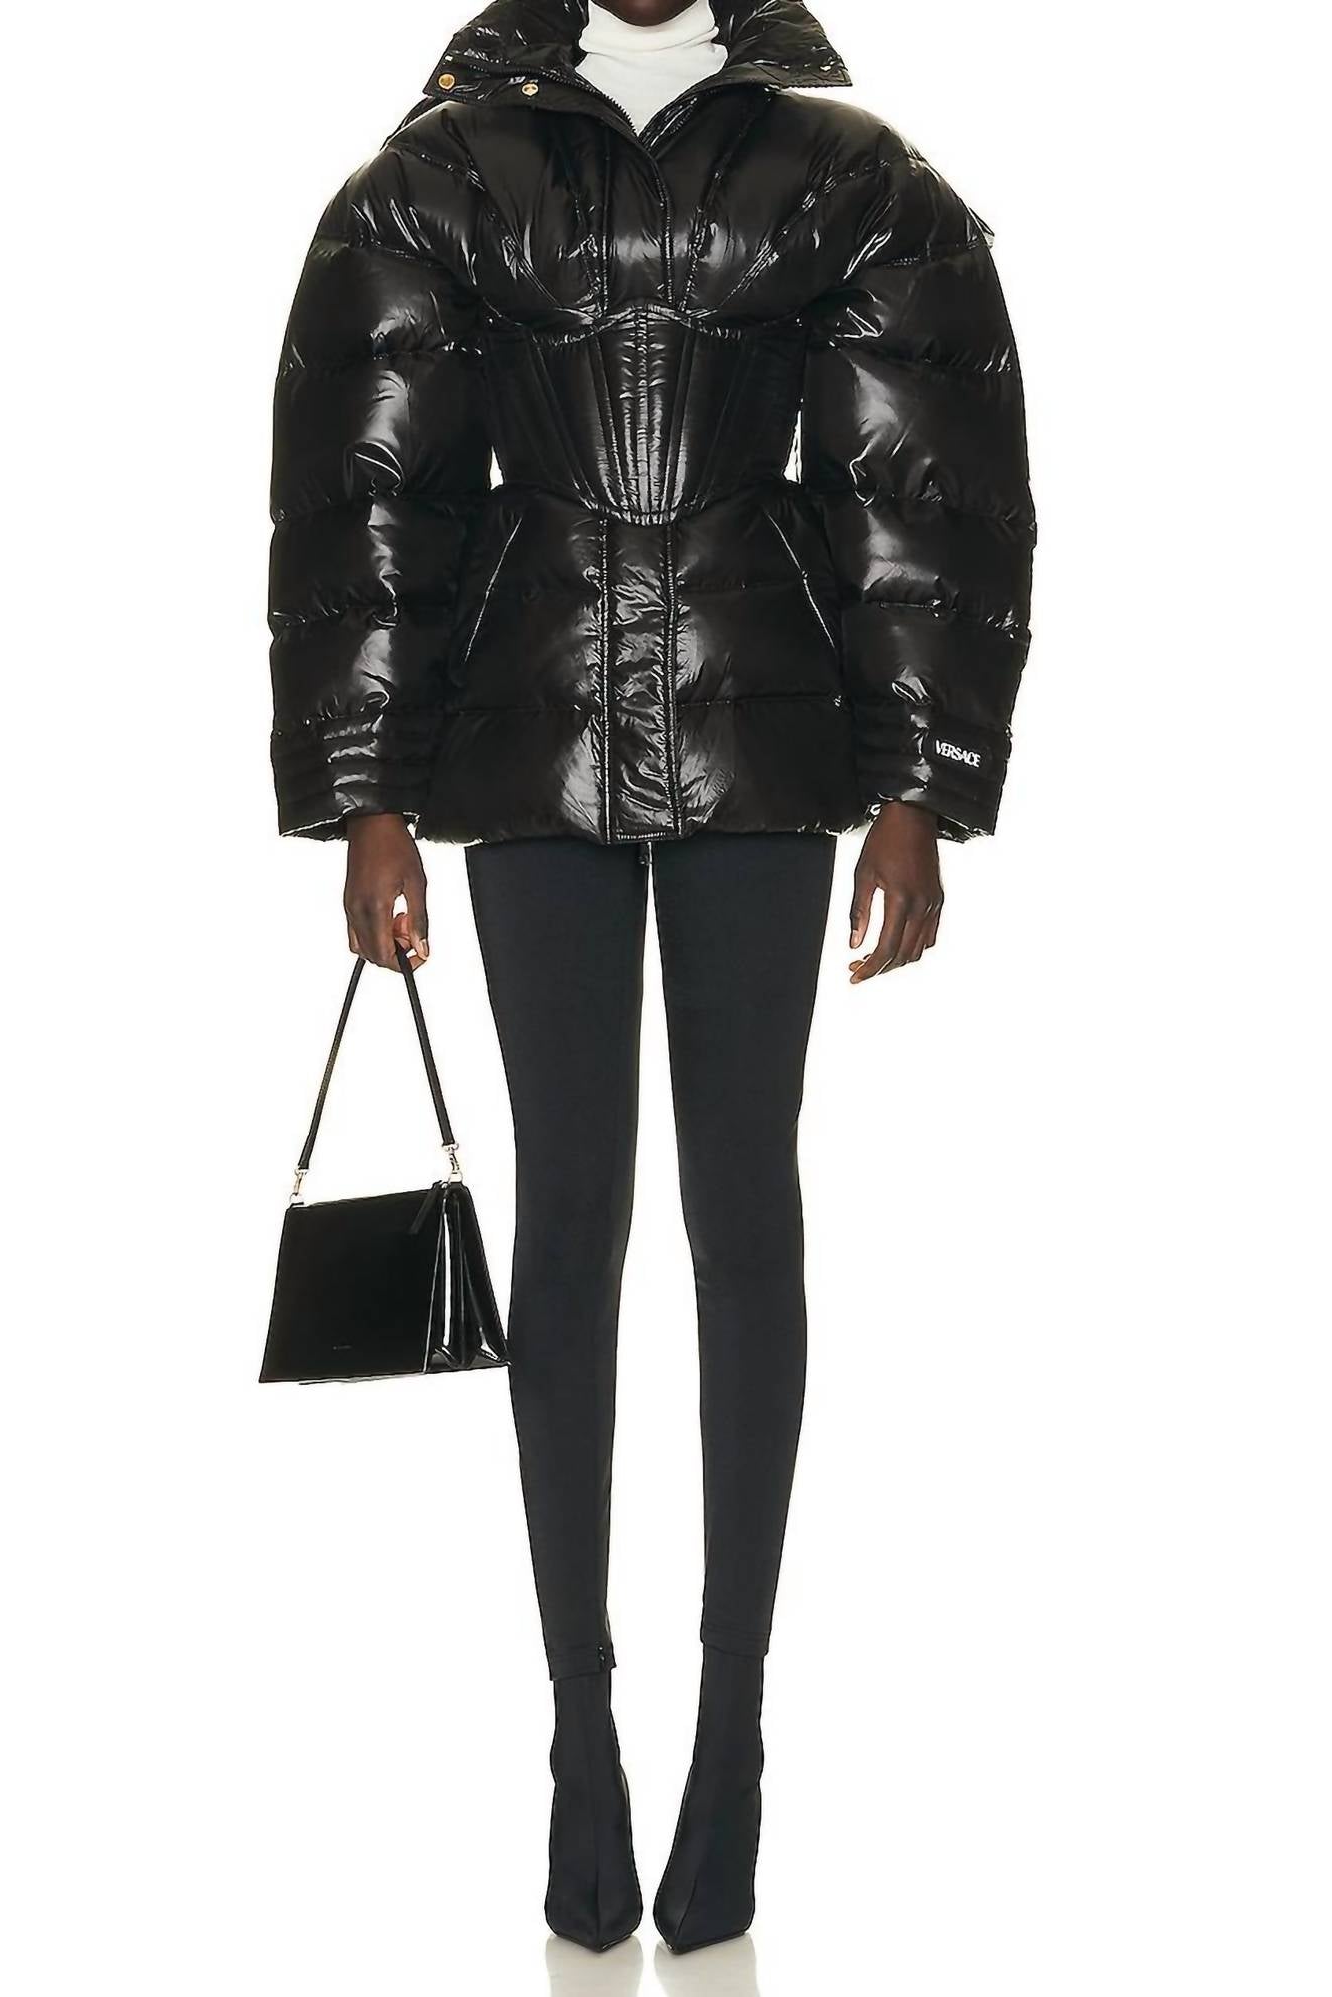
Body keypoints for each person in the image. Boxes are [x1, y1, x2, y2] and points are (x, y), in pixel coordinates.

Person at [267, 0, 1034, 1955]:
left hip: (759, 726)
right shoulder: (447, 167)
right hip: (527, 729)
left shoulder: (838, 166)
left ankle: (733, 1734)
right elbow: (377, 470)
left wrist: (919, 787)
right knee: (572, 1225)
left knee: (744, 1217)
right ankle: (584, 1736)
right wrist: (367, 795)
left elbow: (916, 455)